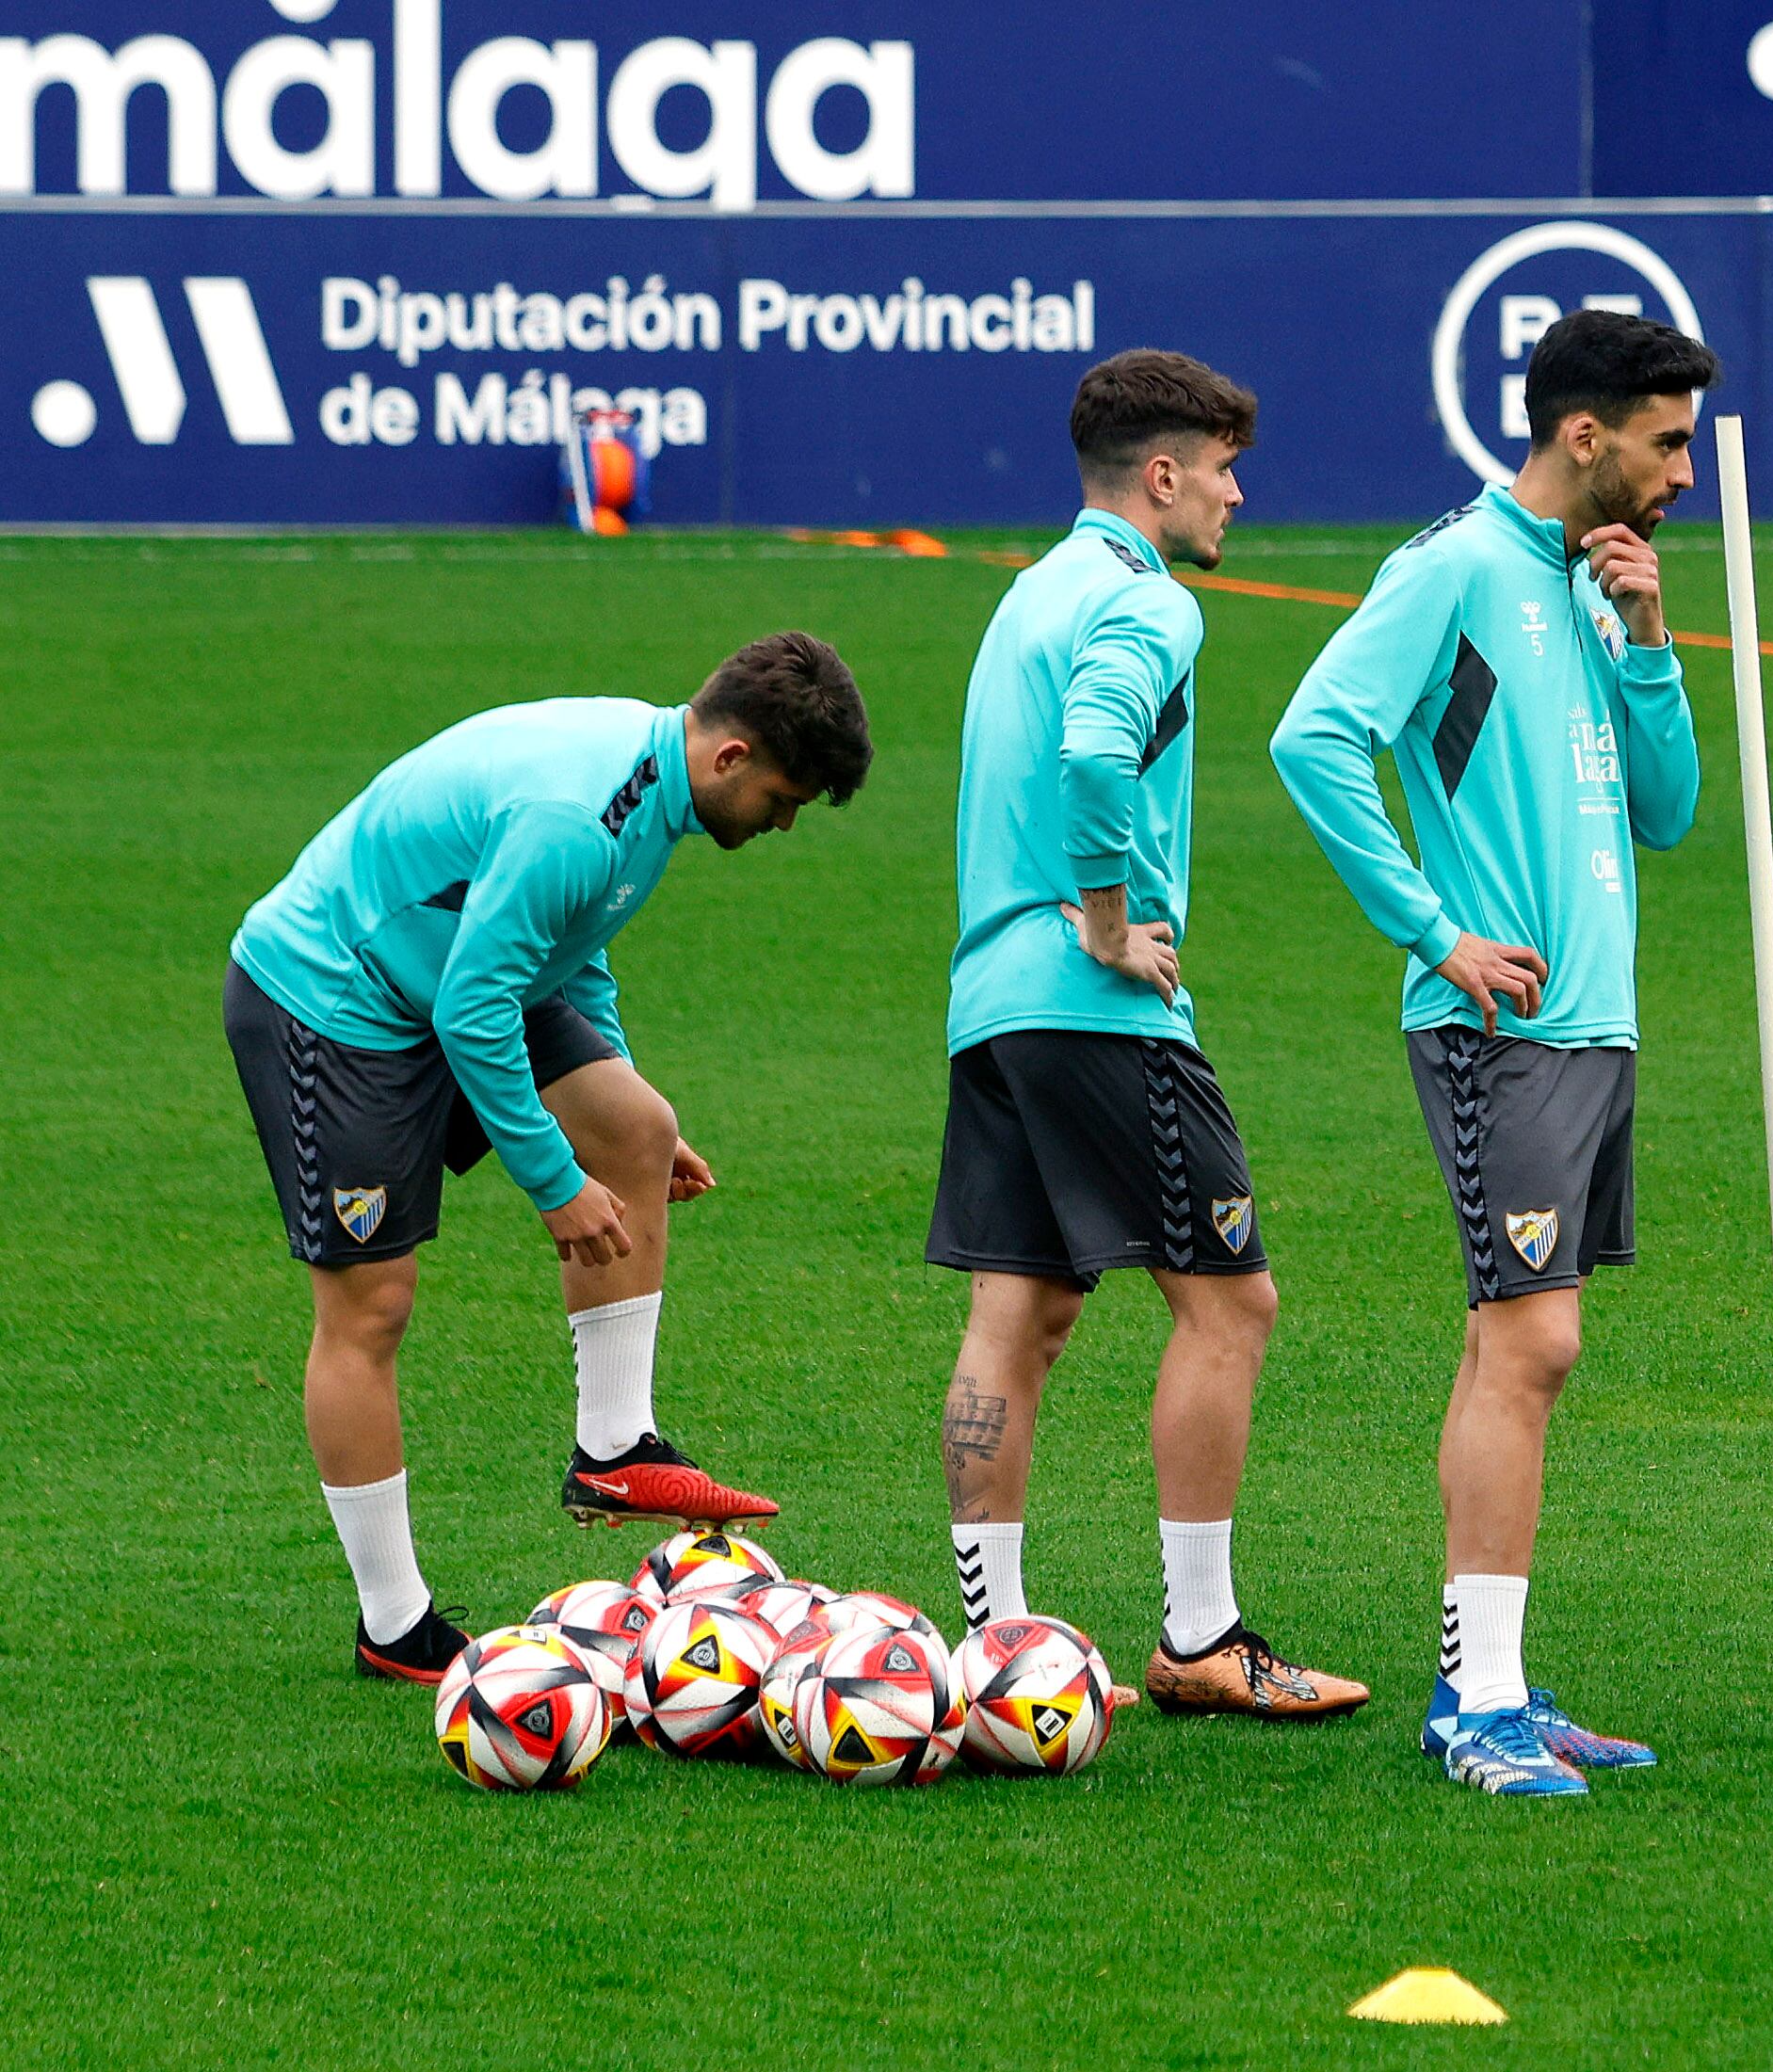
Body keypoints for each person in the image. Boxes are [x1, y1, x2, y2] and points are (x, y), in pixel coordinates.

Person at [227, 633, 874, 1682]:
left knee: (640, 1129)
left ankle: (614, 1449)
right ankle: (394, 1623)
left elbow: (575, 943)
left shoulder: (650, 785)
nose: (785, 822)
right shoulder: (578, 817)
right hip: (334, 998)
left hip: (451, 975)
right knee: (371, 1302)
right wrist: (555, 1180)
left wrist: (606, 1116)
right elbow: (475, 1008)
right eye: (784, 798)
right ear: (731, 757)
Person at [1272, 309, 1712, 1797]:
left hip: (1596, 1023)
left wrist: (1651, 640)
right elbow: (1315, 736)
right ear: (1582, 434)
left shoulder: (1597, 590)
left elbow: (1667, 810)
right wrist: (1432, 930)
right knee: (1532, 1341)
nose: (1682, 476)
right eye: (1665, 444)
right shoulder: (1454, 568)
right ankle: (1476, 1709)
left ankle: (1495, 1682)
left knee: (1520, 1347)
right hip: (1499, 1022)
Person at [927, 347, 1365, 1720]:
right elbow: (1094, 752)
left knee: (1022, 1307)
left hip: (991, 1002)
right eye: (1225, 470)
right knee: (1231, 1303)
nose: (1239, 496)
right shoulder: (1144, 601)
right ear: (1161, 476)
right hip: (1096, 1004)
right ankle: (1202, 1636)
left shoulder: (1028, 596)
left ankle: (997, 1648)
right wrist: (1112, 926)